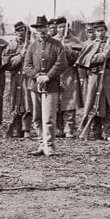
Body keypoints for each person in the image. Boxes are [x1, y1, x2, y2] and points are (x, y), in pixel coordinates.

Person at [22, 15, 67, 156]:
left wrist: (48, 76)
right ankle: (42, 144)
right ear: (35, 31)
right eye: (38, 28)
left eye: (43, 27)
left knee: (49, 118)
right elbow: (27, 66)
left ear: (48, 28)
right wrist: (37, 76)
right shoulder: (32, 46)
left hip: (51, 85)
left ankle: (50, 146)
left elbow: (61, 63)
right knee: (37, 117)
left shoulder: (57, 45)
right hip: (34, 86)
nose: (41, 31)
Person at [74, 20, 110, 141]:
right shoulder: (89, 45)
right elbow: (84, 61)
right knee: (93, 102)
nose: (100, 33)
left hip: (108, 77)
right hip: (94, 77)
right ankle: (95, 131)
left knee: (108, 103)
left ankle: (108, 132)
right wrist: (100, 56)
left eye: (102, 30)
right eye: (98, 31)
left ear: (106, 31)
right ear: (95, 32)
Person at [2, 22, 31, 138]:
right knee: (14, 102)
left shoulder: (32, 45)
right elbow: (6, 63)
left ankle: (26, 128)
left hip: (28, 78)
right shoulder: (11, 46)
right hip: (15, 78)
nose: (20, 33)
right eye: (18, 31)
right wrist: (20, 56)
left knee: (27, 102)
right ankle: (15, 128)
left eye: (22, 31)